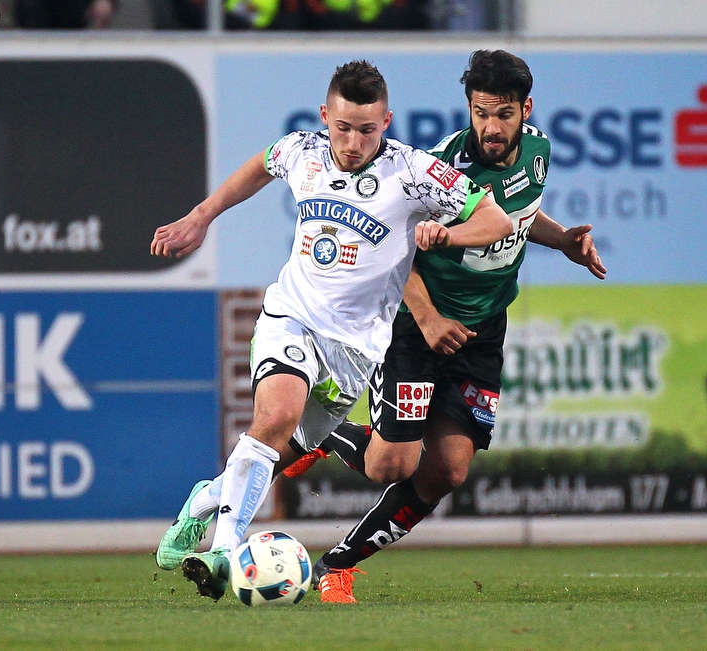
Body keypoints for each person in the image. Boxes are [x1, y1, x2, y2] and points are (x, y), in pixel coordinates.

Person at [151, 60, 518, 601]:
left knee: (320, 456)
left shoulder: (413, 172)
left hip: (357, 349)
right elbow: (260, 165)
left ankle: (204, 502)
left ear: (386, 123)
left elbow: (498, 221)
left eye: (367, 130)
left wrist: (451, 232)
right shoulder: (302, 150)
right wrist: (202, 215)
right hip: (292, 315)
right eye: (342, 127)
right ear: (325, 116)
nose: (352, 142)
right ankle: (226, 550)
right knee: (275, 417)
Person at [284, 50, 607, 603]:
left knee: (448, 471)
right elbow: (389, 250)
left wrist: (564, 242)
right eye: (481, 113)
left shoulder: (539, 152)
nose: (491, 127)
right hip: (418, 325)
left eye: (504, 114)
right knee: (393, 464)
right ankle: (328, 431)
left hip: (482, 330)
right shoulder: (439, 171)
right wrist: (430, 316)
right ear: (469, 109)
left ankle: (337, 566)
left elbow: (519, 215)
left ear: (525, 111)